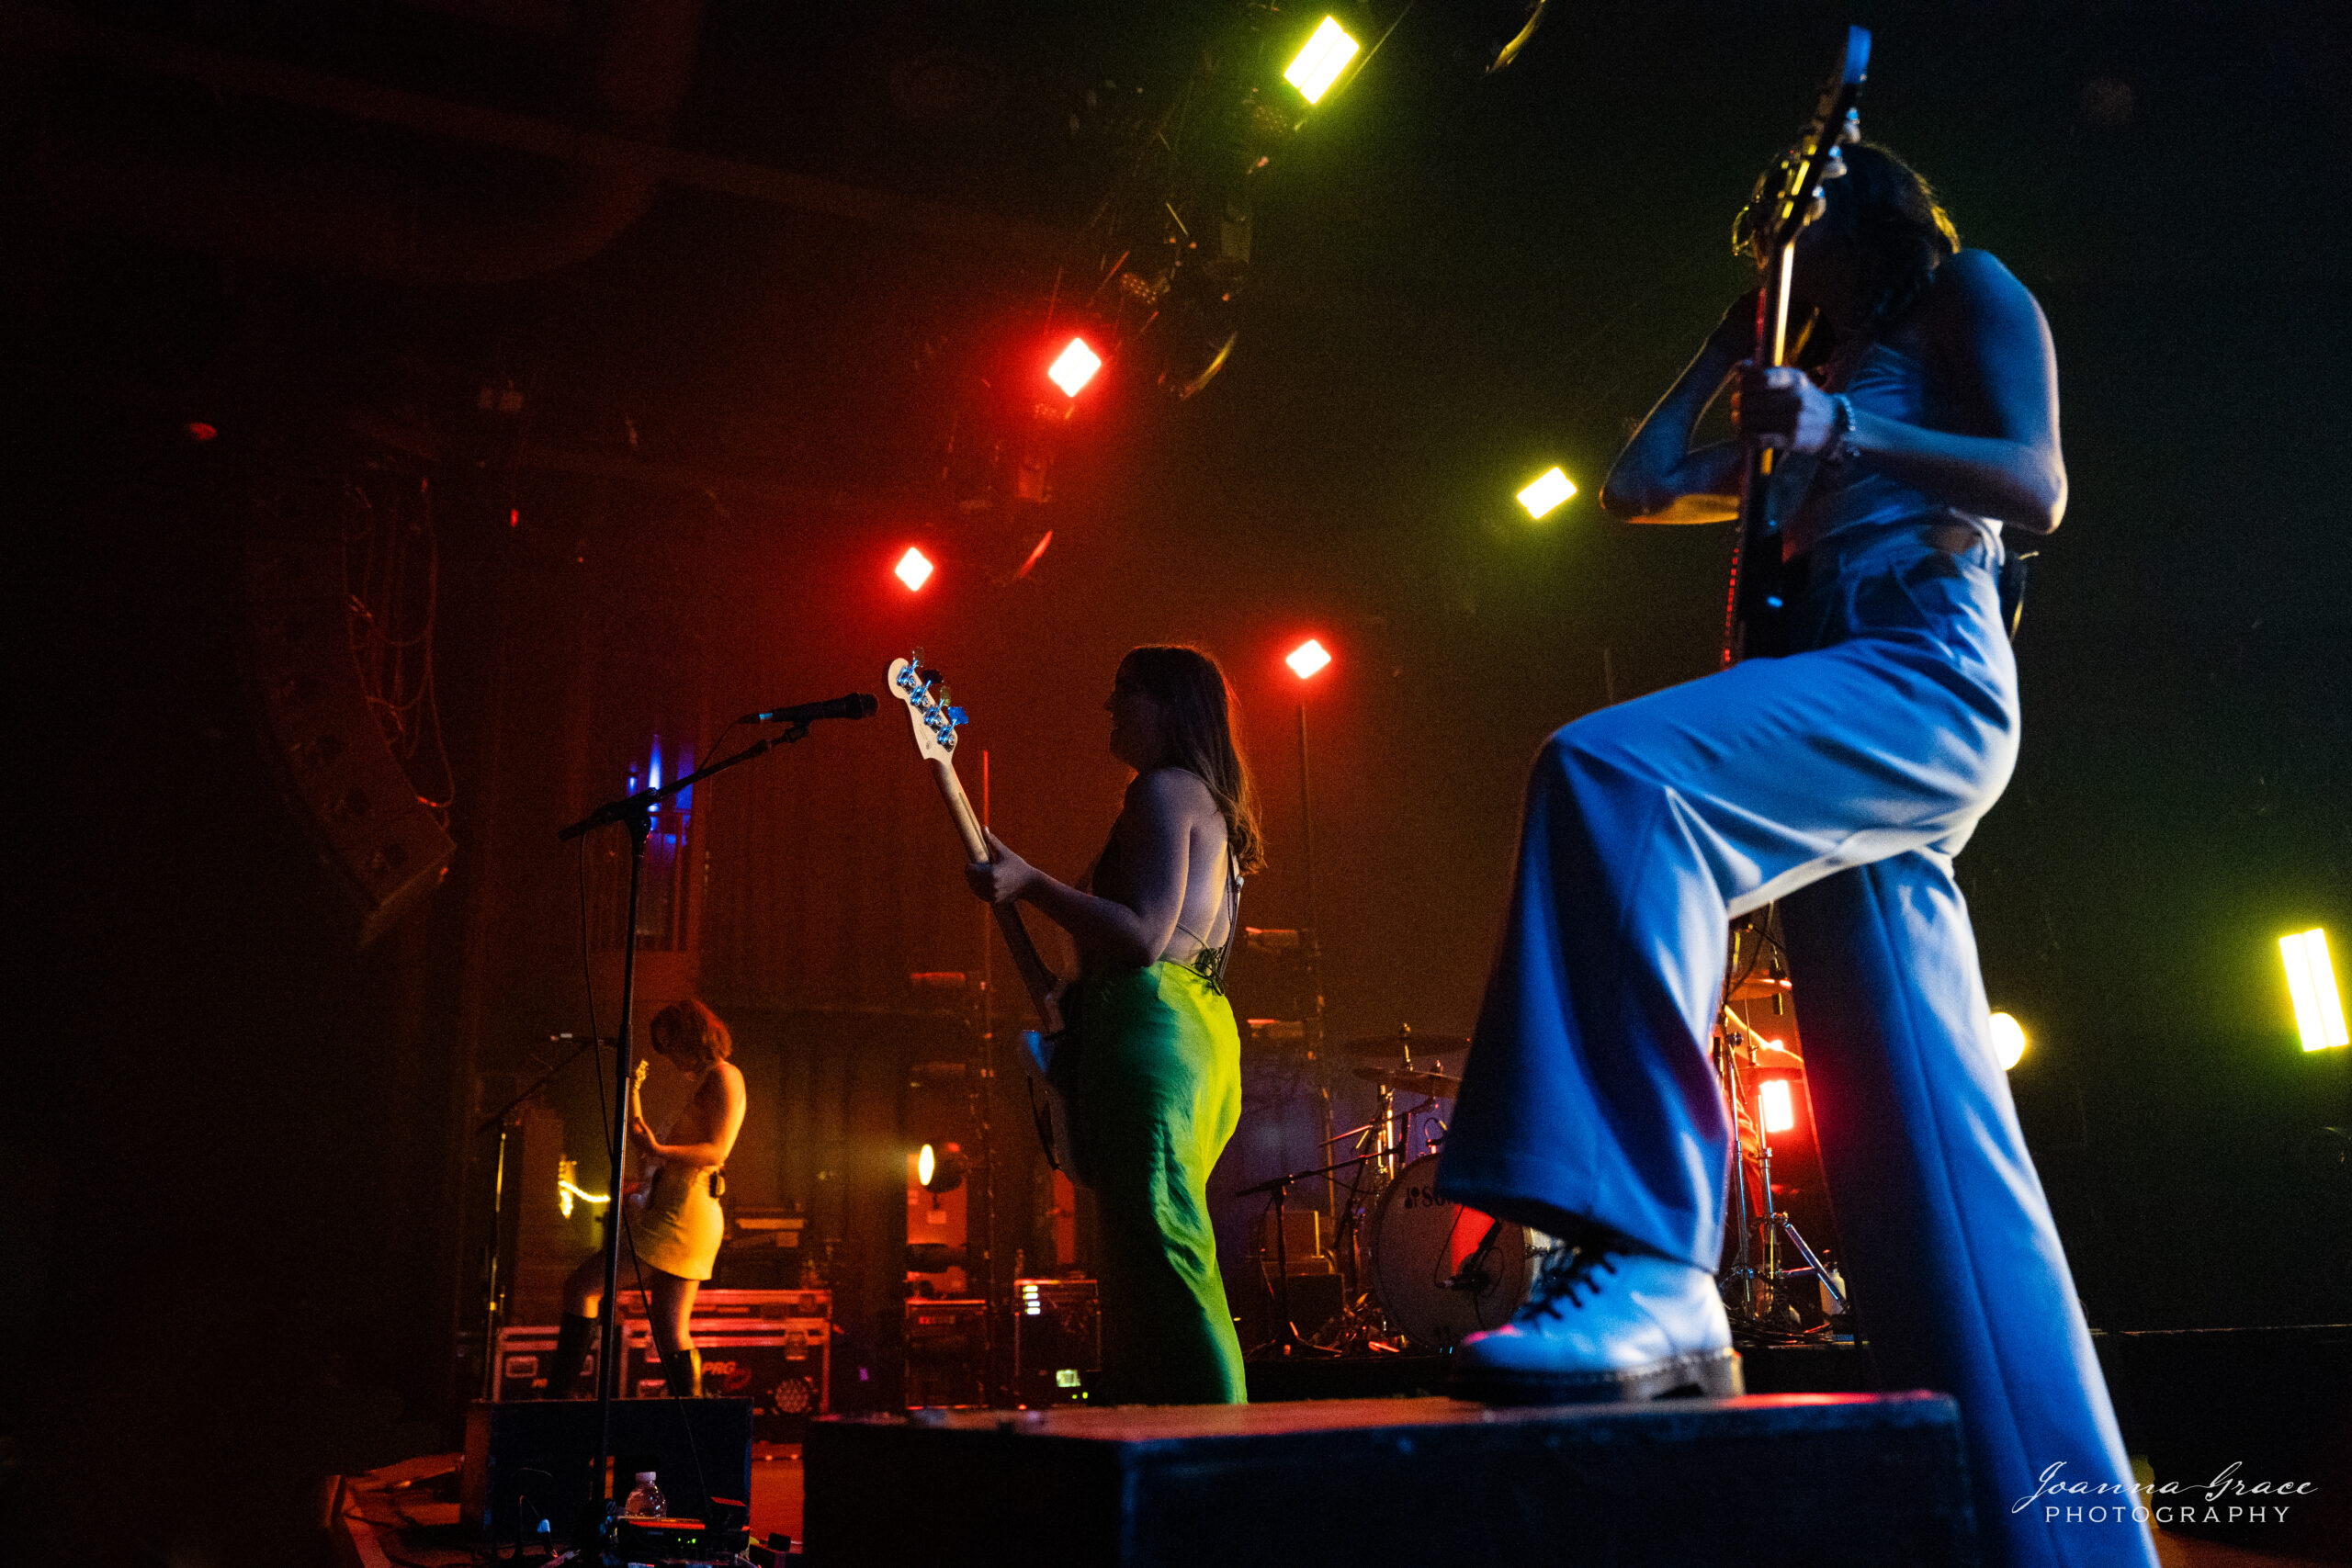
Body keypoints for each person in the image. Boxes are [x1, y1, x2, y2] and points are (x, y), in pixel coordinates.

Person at [1434, 144, 2154, 1568]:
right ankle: (2057, 1525)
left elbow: (2038, 484)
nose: (1771, 217)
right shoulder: (1800, 380)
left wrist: (1845, 425)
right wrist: (1733, 345)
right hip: (1837, 690)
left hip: (1919, 670)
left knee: (1611, 777)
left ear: (1868, 200)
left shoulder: (1966, 293)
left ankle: (1648, 1251)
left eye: (1798, 196)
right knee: (1922, 1130)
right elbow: (1638, 484)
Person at [964, 646, 1263, 1404]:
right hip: (1190, 1029)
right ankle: (1165, 1423)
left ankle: (1220, 1438)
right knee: (1149, 1255)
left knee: (1163, 1251)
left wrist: (1029, 883)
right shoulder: (1205, 799)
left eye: (1124, 691)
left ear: (1168, 707)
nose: (1109, 706)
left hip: (1150, 1035)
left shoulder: (1160, 790)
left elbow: (1141, 935)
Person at [544, 998, 747, 1400]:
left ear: (693, 1035)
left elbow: (716, 1151)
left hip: (684, 1211)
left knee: (583, 1287)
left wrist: (660, 1151)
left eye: (672, 1043)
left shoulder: (725, 1076)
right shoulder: (704, 1082)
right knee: (670, 1329)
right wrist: (634, 1097)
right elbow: (649, 1146)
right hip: (679, 1207)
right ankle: (690, 1417)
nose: (669, 1055)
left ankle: (558, 1400)